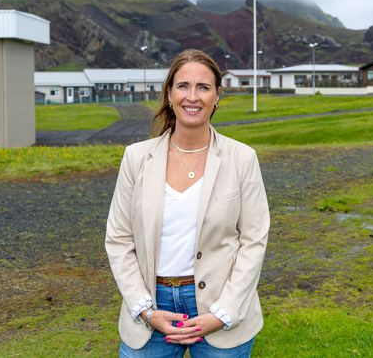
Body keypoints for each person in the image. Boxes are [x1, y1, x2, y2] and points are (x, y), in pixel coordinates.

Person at [106, 49, 270, 357]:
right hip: (150, 310)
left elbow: (254, 240)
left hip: (220, 309)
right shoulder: (136, 158)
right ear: (168, 94)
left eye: (203, 87)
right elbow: (118, 239)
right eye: (183, 86)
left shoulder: (242, 158)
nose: (192, 96)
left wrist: (224, 312)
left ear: (217, 96)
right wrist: (144, 309)